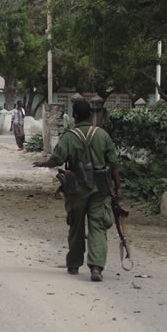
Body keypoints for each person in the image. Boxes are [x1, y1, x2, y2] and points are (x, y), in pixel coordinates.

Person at [33, 100, 122, 282]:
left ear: (74, 117)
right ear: (90, 115)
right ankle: (96, 267)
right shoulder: (102, 135)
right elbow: (114, 164)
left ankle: (74, 264)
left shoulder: (69, 137)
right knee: (98, 226)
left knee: (76, 226)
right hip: (101, 188)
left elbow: (57, 159)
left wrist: (42, 163)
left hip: (77, 189)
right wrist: (118, 187)